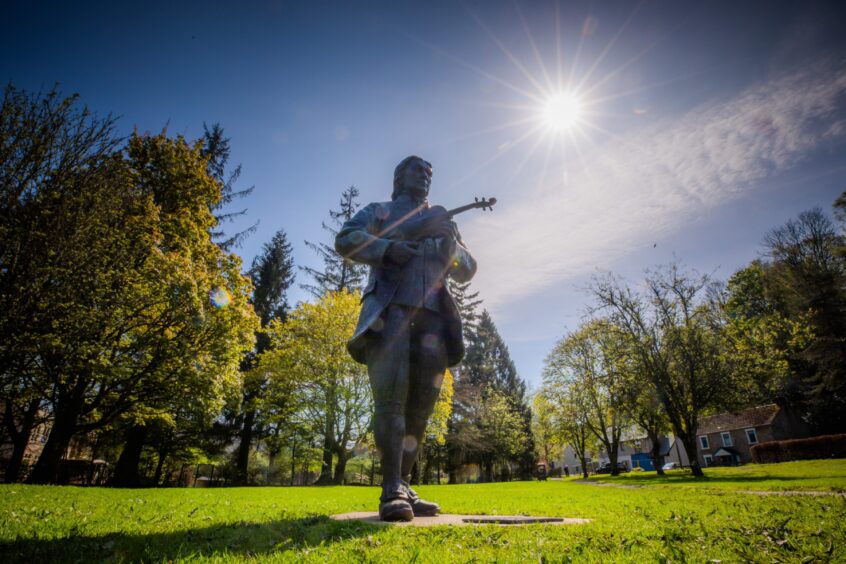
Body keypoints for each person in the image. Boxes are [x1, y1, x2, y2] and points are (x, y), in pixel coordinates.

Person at [335, 155, 476, 521]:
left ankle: (405, 483)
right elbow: (347, 238)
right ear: (399, 178)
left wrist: (451, 248)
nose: (425, 177)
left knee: (421, 410)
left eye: (429, 173)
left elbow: (468, 269)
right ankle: (390, 487)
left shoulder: (443, 221)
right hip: (390, 314)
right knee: (391, 403)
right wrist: (389, 247)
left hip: (434, 322)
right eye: (417, 171)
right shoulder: (379, 211)